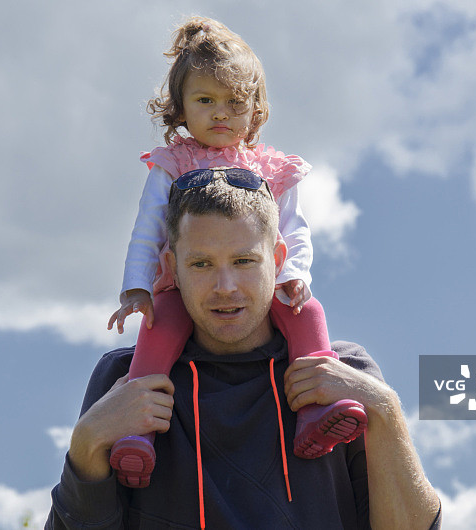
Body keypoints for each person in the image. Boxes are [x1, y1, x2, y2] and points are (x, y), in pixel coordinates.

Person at [46, 175, 441, 529]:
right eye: (201, 264)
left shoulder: (341, 373)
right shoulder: (125, 378)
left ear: (279, 259)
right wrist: (86, 443)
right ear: (172, 268)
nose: (225, 286)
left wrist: (385, 409)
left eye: (244, 261)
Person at [105, 16, 366, 489]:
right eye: (205, 101)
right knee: (159, 327)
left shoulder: (271, 168)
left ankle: (315, 410)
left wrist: (294, 274)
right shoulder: (173, 165)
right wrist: (137, 287)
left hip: (259, 283)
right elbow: (147, 229)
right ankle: (136, 435)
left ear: (256, 110)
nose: (220, 114)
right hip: (184, 282)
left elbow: (294, 230)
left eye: (234, 103)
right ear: (181, 108)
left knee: (307, 313)